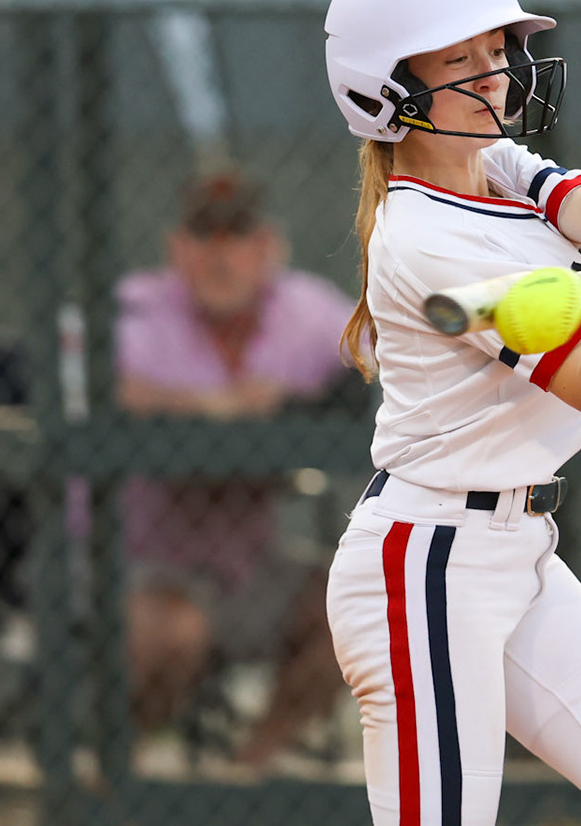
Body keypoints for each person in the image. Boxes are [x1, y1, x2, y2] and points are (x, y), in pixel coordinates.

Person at [322, 0, 581, 826]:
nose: (493, 76)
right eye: (457, 60)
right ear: (386, 89)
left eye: (496, 52)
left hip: (517, 549)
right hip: (427, 560)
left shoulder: (493, 164)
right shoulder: (429, 239)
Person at [115, 170, 357, 767]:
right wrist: (208, 407)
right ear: (178, 249)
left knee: (361, 606)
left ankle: (246, 775)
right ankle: (125, 775)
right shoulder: (135, 309)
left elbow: (379, 366)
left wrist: (288, 406)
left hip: (247, 565)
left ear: (267, 246)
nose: (220, 253)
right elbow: (98, 390)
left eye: (237, 235)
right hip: (140, 561)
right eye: (204, 236)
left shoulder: (310, 310)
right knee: (174, 630)